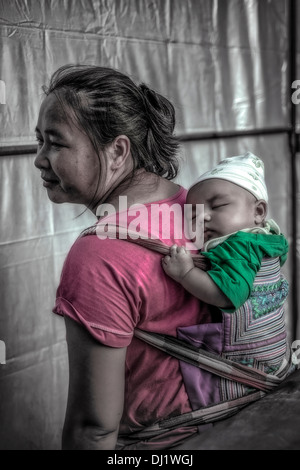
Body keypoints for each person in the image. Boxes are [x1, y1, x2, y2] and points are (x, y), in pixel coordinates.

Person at [34, 64, 216, 450]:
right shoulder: (203, 212)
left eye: (55, 142)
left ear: (117, 150)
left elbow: (94, 430)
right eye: (39, 141)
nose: (39, 158)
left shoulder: (100, 256)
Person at [162, 153, 292, 411]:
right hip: (277, 355)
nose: (204, 218)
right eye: (194, 215)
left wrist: (186, 273)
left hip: (248, 369)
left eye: (218, 206)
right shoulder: (267, 240)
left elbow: (229, 294)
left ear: (258, 212)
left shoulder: (238, 245)